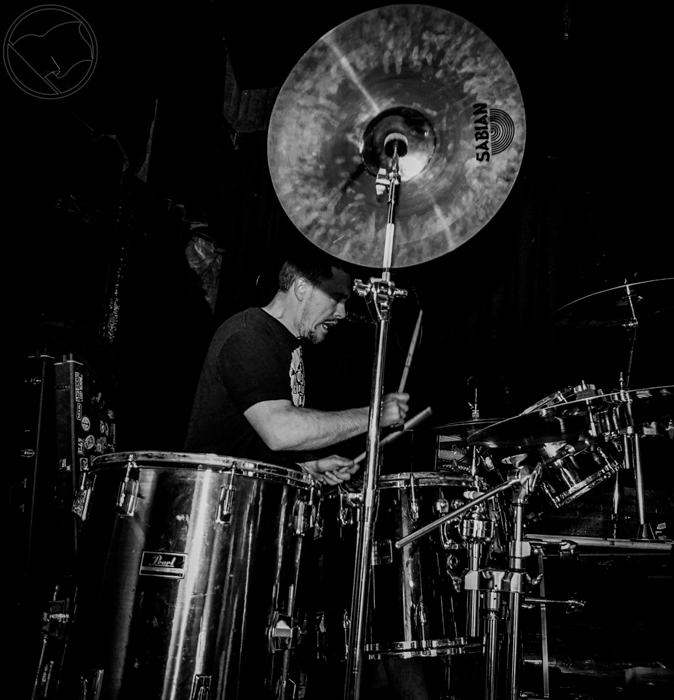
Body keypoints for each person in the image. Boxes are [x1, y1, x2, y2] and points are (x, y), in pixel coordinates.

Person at [184, 248, 410, 484]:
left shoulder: (288, 344)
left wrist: (306, 466)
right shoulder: (248, 335)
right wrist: (374, 415)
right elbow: (279, 431)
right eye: (336, 298)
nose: (342, 313)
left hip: (244, 490)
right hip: (215, 494)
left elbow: (250, 440)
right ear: (302, 288)